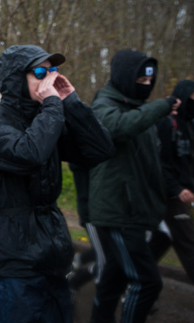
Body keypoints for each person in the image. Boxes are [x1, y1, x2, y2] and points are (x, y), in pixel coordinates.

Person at [0, 45, 114, 323]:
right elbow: (30, 154)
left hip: (52, 254)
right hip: (12, 260)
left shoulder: (48, 119)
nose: (49, 78)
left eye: (53, 71)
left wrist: (70, 101)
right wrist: (52, 104)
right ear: (16, 79)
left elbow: (101, 150)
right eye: (40, 71)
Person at [89, 49, 180, 323]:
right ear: (126, 78)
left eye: (149, 82)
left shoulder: (139, 108)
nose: (146, 86)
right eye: (140, 80)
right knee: (147, 282)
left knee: (113, 280)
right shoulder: (104, 104)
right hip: (118, 212)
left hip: (135, 211)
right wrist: (160, 106)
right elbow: (117, 127)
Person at [153, 79, 194, 283]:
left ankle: (135, 278)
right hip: (169, 196)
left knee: (160, 241)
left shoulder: (189, 125)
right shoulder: (168, 124)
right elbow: (161, 162)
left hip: (182, 195)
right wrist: (177, 189)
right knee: (188, 243)